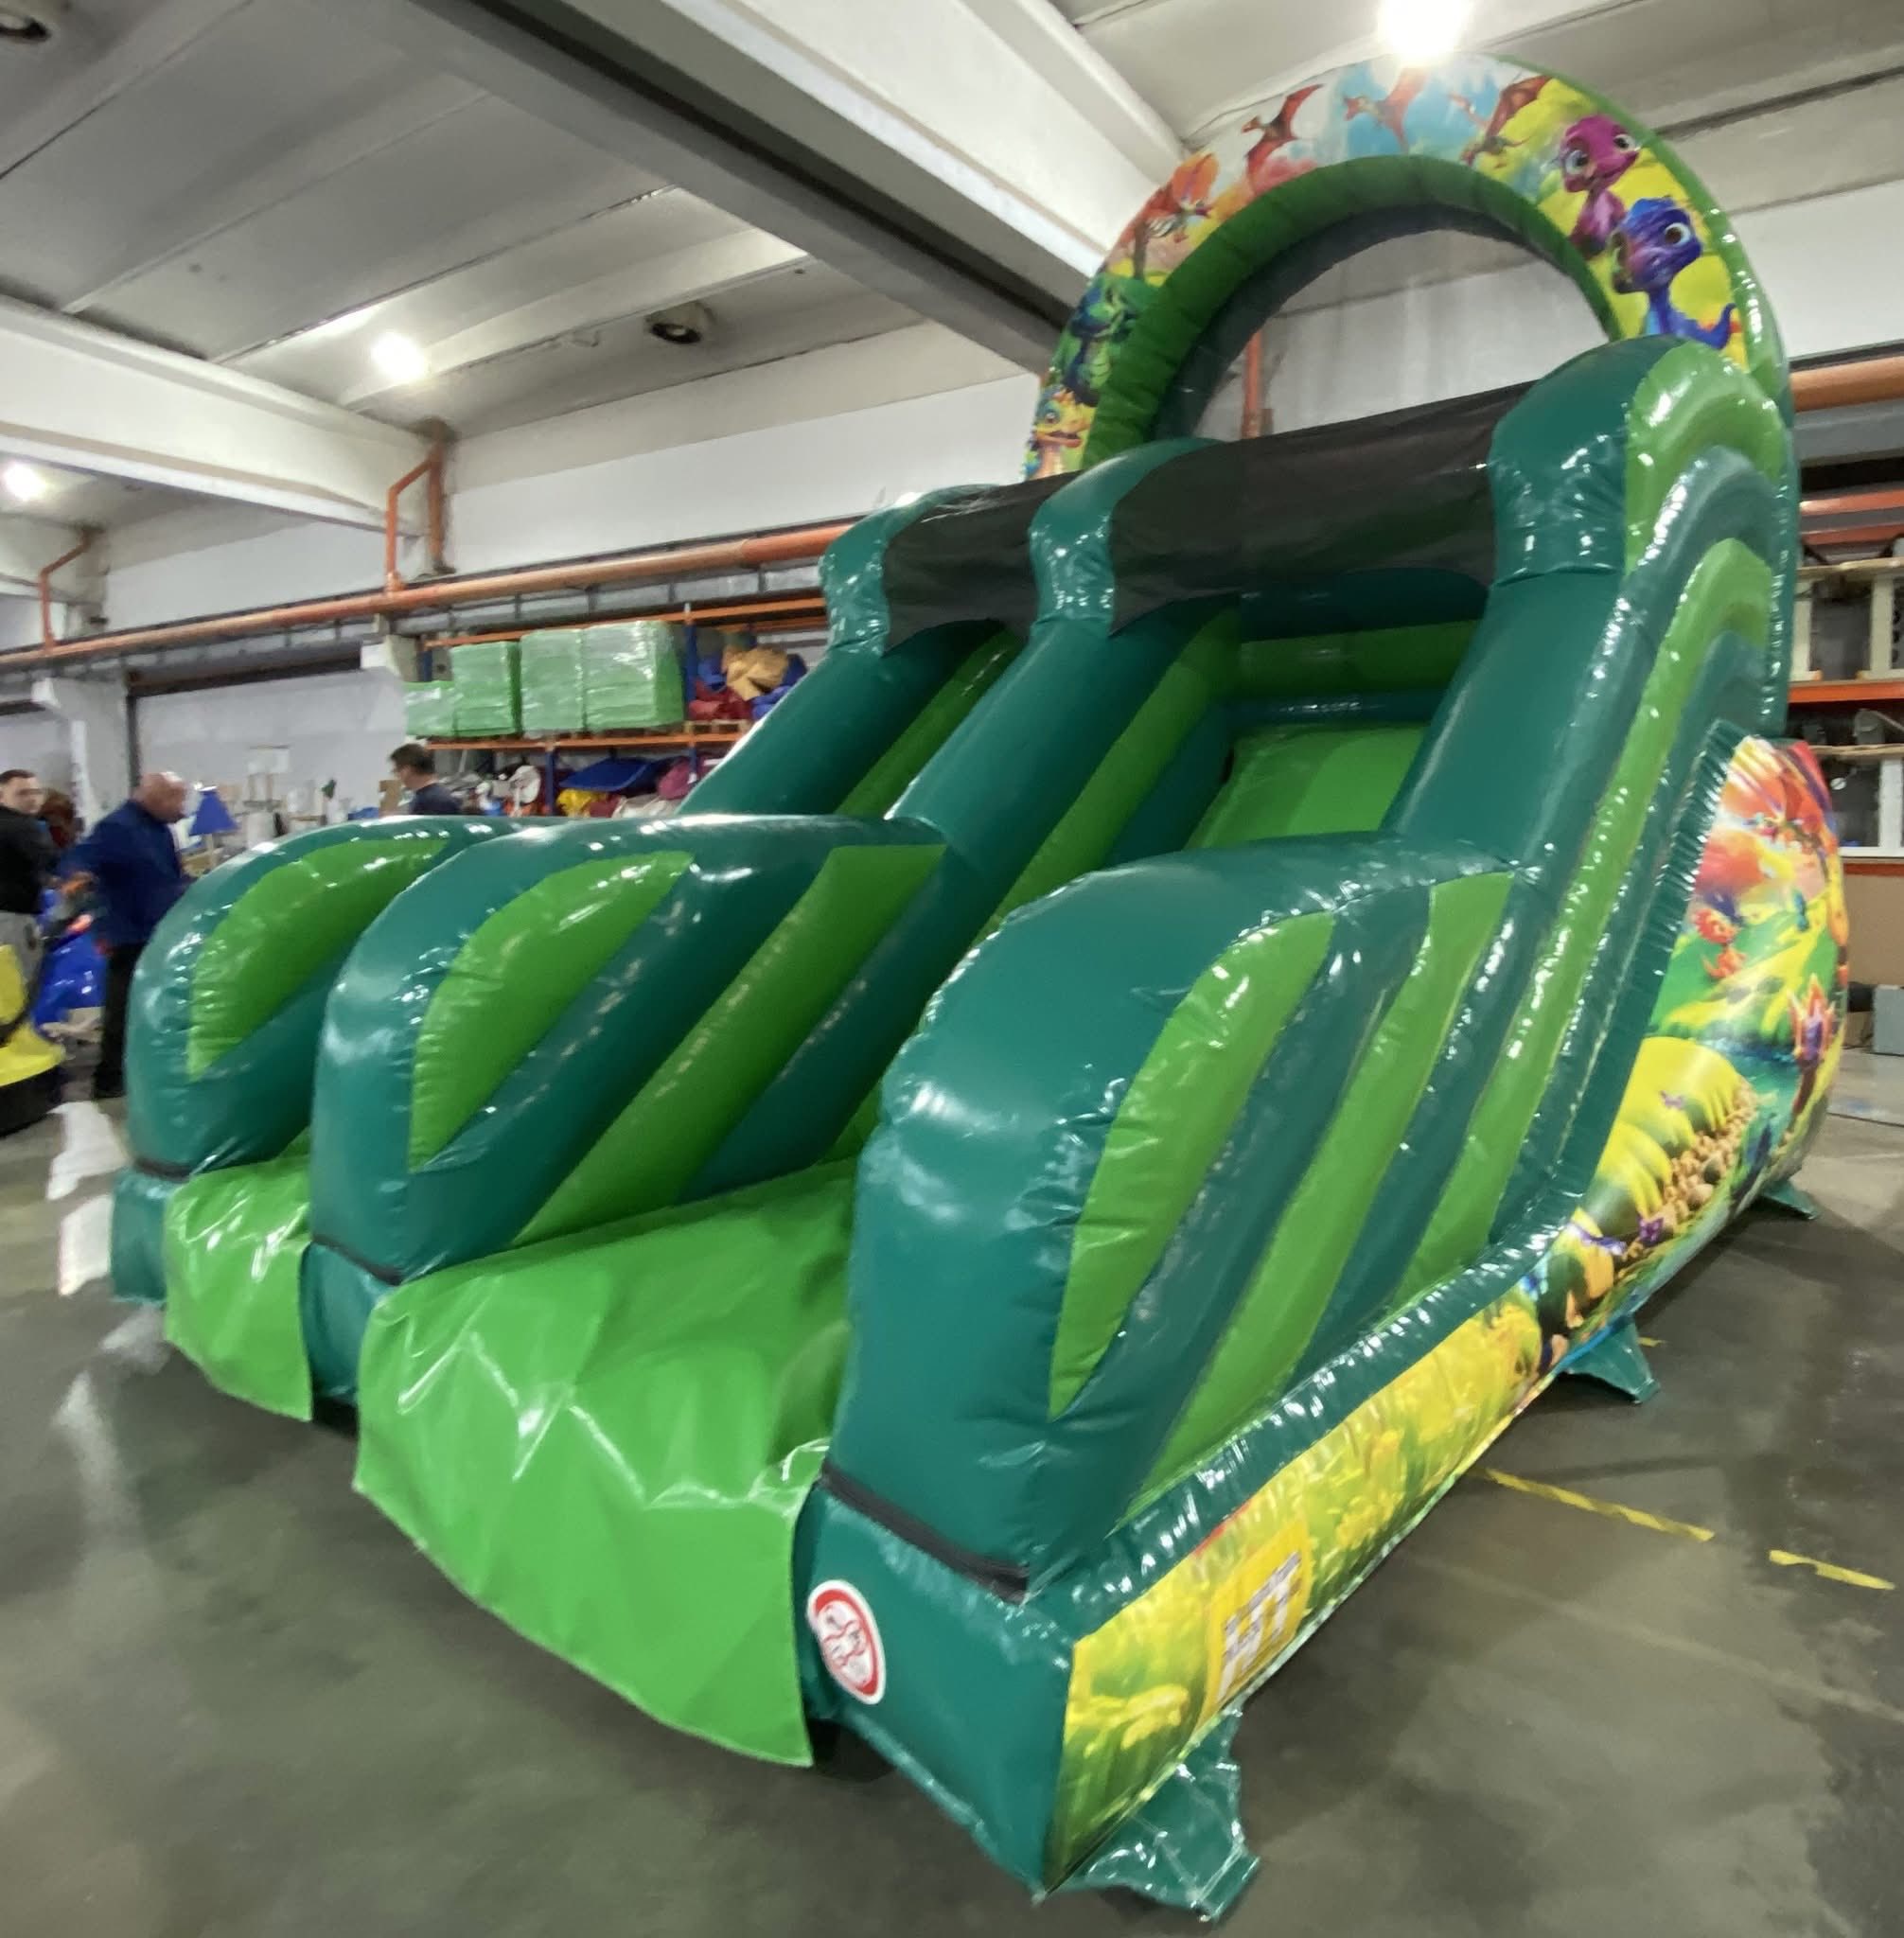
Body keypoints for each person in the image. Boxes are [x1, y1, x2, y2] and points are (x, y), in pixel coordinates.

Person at [63, 771, 188, 1101]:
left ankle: (139, 1070)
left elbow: (166, 875)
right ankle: (109, 1079)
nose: (183, 807)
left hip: (155, 930)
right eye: (177, 799)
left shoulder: (158, 828)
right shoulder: (117, 827)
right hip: (128, 933)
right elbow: (82, 856)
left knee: (150, 1005)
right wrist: (78, 876)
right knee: (123, 1007)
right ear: (156, 797)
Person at [0, 767, 56, 1006]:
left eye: (36, 792)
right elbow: (55, 863)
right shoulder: (22, 826)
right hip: (12, 918)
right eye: (22, 793)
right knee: (21, 985)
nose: (32, 798)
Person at [390, 744, 464, 815]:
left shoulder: (431, 802)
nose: (396, 775)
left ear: (406, 770)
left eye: (396, 770)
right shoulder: (433, 797)